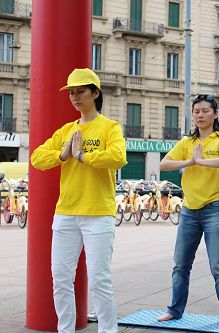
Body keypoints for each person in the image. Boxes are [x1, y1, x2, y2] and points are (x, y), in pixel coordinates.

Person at [31, 68, 127, 333]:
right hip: (66, 214)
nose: (74, 97)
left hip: (98, 213)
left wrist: (84, 156)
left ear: (95, 93)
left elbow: (118, 157)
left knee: (99, 280)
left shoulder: (110, 127)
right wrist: (63, 155)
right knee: (61, 279)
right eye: (71, 93)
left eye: (80, 91)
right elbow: (37, 158)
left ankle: (108, 331)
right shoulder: (65, 131)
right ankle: (66, 330)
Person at [157, 95, 219, 328]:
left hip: (215, 208)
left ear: (215, 114)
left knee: (218, 266)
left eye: (205, 111)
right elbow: (163, 164)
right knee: (180, 265)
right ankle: (175, 310)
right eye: (196, 111)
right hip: (190, 210)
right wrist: (190, 162)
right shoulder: (186, 142)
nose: (200, 115)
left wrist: (202, 162)